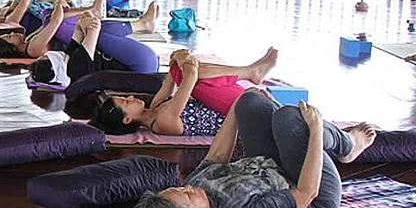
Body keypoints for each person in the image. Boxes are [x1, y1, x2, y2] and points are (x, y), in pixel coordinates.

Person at [128, 90, 377, 208]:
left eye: (180, 188)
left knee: (250, 102)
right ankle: (348, 144)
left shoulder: (197, 192)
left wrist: (235, 107)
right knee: (292, 119)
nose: (189, 187)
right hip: (313, 195)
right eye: (187, 195)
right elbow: (307, 191)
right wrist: (315, 130)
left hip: (268, 166)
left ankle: (281, 122)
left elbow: (217, 155)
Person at [89, 47, 280, 136]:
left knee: (181, 71)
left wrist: (178, 58)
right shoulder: (162, 122)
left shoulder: (155, 108)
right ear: (127, 119)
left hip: (222, 101)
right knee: (195, 78)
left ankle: (252, 71)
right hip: (235, 111)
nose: (131, 97)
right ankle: (250, 71)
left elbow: (172, 76)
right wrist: (185, 60)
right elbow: (190, 78)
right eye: (125, 101)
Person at [0, 0, 161, 75]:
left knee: (98, 28)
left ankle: (143, 24)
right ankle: (142, 24)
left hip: (145, 63)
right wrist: (58, 5)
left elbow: (48, 23)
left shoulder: (29, 40)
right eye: (8, 37)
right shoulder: (33, 48)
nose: (11, 33)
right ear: (11, 48)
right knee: (98, 31)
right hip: (143, 65)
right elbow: (55, 22)